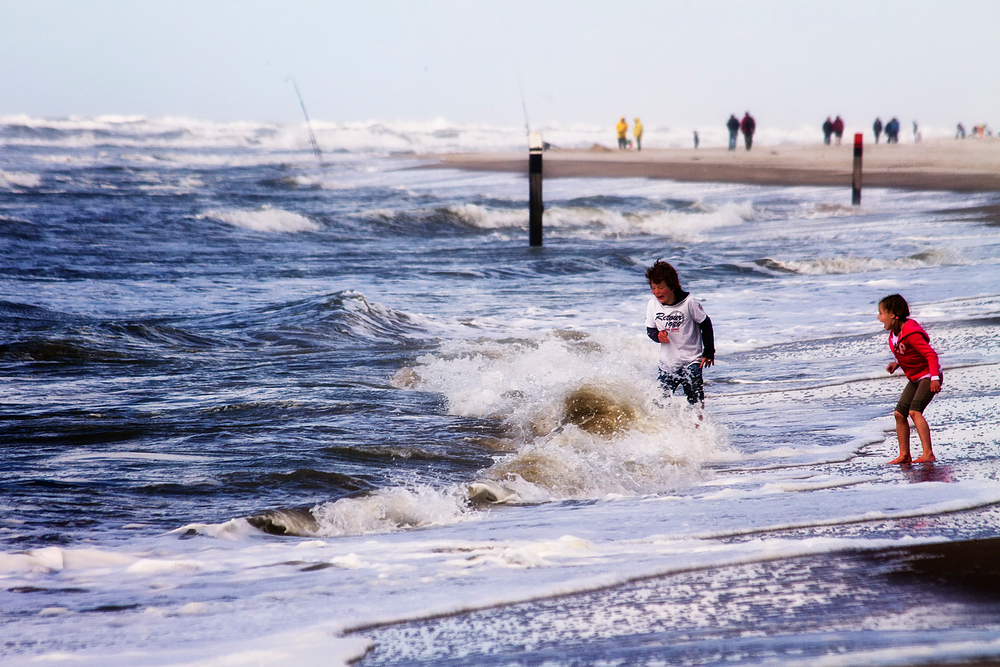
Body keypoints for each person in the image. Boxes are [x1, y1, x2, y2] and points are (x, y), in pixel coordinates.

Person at [877, 294, 942, 465]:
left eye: (881, 313)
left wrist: (935, 378)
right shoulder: (895, 334)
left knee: (915, 411)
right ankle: (904, 455)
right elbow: (909, 352)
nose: (878, 317)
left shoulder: (910, 332)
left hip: (929, 375)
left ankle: (928, 453)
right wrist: (897, 363)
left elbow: (930, 354)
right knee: (899, 414)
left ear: (892, 314)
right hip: (915, 378)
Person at [645, 260, 715, 407]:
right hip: (668, 363)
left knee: (694, 398)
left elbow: (705, 323)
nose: (656, 291)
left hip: (691, 360)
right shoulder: (653, 304)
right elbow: (650, 330)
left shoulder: (688, 302)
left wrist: (708, 351)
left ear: (672, 286)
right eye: (653, 287)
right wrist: (658, 337)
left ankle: (698, 425)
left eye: (660, 287)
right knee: (658, 402)